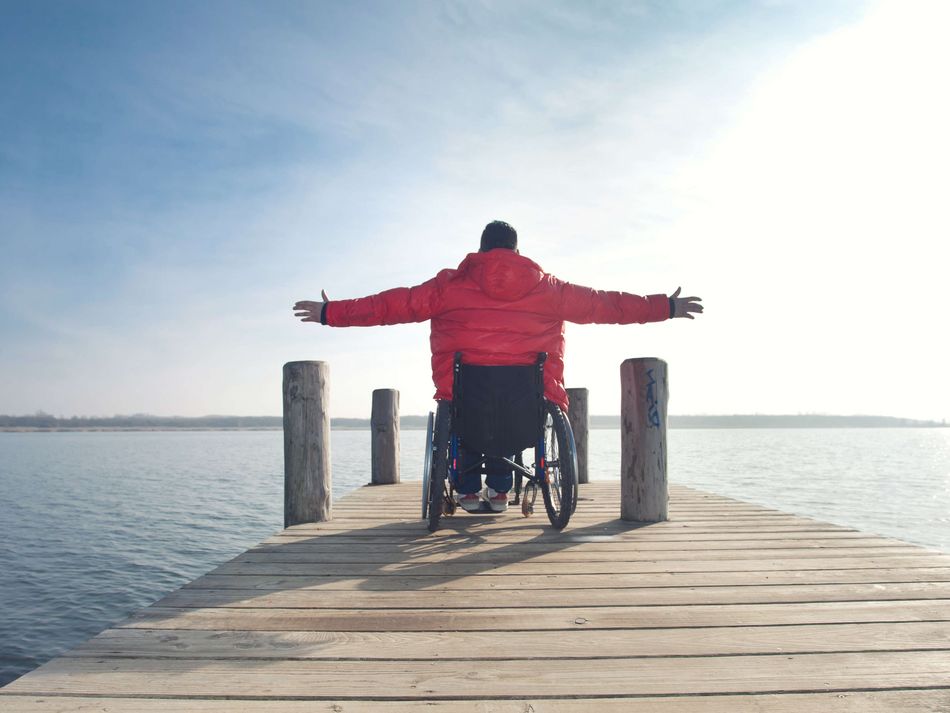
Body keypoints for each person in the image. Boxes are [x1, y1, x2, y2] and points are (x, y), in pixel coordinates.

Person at [294, 220, 702, 512]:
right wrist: (663, 306)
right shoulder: (550, 289)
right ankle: (502, 489)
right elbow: (607, 305)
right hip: (528, 395)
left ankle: (467, 492)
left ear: (482, 249)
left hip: (465, 391)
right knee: (517, 414)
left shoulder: (448, 286)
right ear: (517, 251)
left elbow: (387, 306)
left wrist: (331, 312)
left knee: (465, 413)